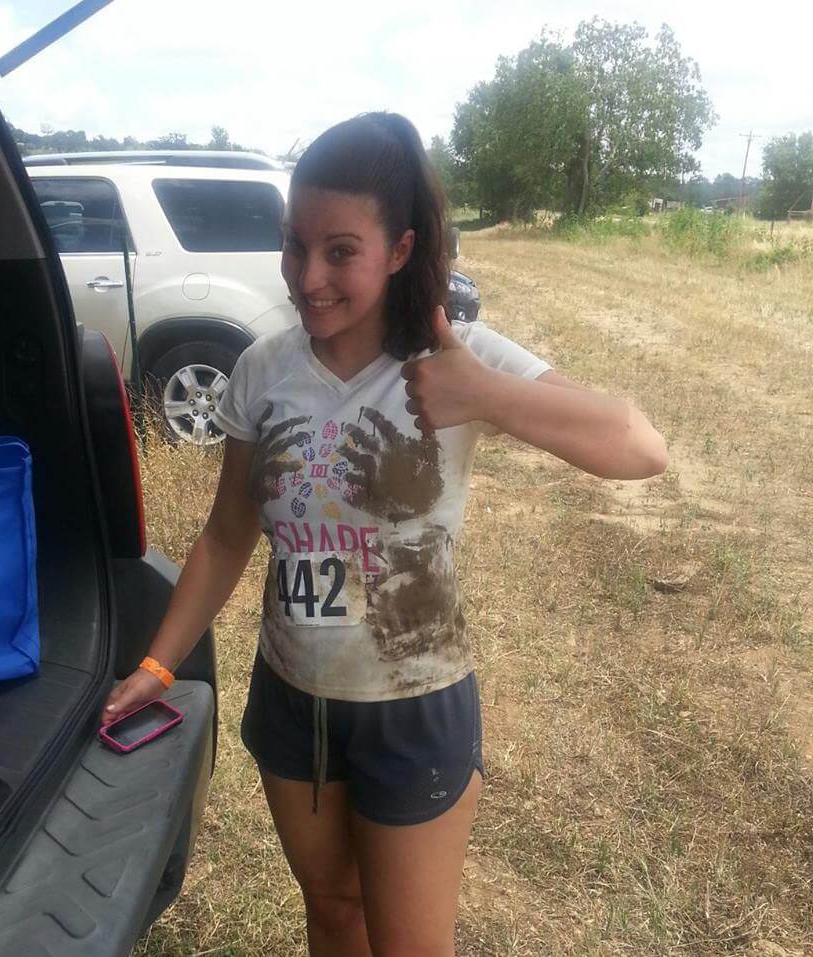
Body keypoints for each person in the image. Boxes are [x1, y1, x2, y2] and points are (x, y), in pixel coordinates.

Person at [102, 112, 668, 956]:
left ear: (400, 250)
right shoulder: (264, 369)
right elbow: (226, 534)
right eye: (295, 246)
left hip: (414, 703)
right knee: (332, 912)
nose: (308, 276)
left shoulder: (456, 357)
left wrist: (486, 395)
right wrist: (157, 662)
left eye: (340, 251)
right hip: (293, 698)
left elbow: (640, 446)